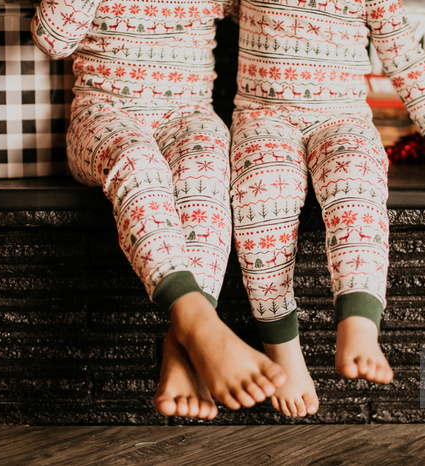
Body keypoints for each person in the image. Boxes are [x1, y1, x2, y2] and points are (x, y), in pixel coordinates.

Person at [230, 0, 425, 417]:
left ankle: (359, 323)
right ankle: (282, 348)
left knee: (358, 186)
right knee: (261, 202)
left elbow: (404, 55)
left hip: (342, 118)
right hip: (262, 118)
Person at [31, 0, 287, 420]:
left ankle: (182, 346)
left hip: (188, 116)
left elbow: (269, 14)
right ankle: (199, 323)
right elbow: (53, 39)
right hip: (102, 115)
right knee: (139, 161)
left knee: (206, 166)